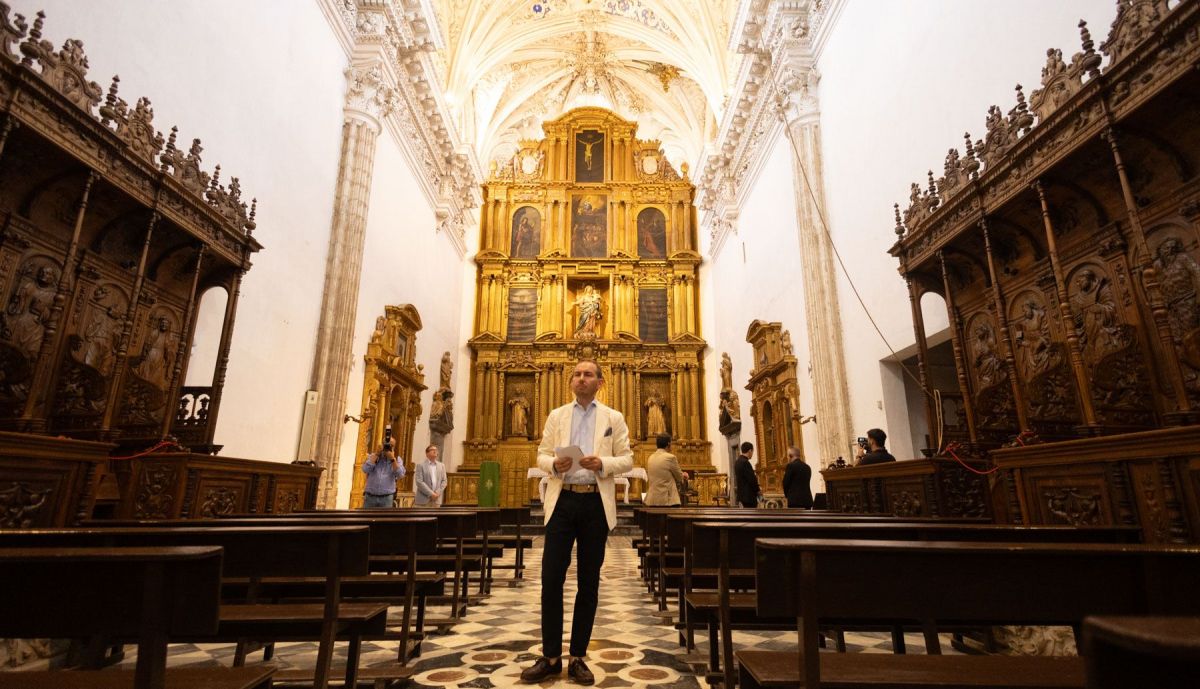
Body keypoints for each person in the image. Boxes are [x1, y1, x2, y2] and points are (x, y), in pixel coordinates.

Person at [521, 360, 632, 685]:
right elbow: (540, 454)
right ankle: (551, 656)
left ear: (600, 382)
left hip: (595, 502)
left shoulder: (614, 417)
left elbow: (627, 458)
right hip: (564, 499)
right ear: (572, 381)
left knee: (589, 581)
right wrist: (554, 463)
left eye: (588, 374)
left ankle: (579, 657)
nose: (581, 378)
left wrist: (603, 463)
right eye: (577, 374)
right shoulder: (557, 415)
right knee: (551, 578)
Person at [644, 434, 686, 507]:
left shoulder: (650, 457)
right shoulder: (670, 457)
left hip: (652, 500)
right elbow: (679, 477)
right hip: (667, 500)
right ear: (668, 444)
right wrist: (684, 475)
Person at [360, 442, 404, 508]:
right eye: (385, 445)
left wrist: (392, 459)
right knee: (367, 518)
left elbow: (400, 474)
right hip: (370, 496)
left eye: (390, 446)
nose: (386, 448)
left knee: (384, 518)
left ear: (393, 448)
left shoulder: (397, 459)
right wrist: (377, 454)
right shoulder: (373, 456)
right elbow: (365, 469)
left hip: (386, 498)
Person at [733, 442, 760, 508]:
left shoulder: (737, 462)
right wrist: (758, 490)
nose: (752, 454)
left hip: (742, 495)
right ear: (750, 451)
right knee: (752, 515)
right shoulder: (745, 463)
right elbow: (752, 479)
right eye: (752, 451)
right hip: (748, 496)